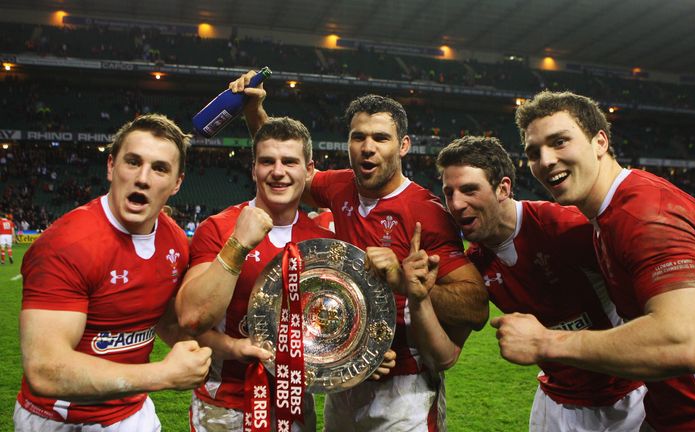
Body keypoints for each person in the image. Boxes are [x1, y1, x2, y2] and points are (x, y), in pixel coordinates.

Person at [497, 90, 695, 431]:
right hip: (676, 414)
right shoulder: (609, 216)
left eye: (560, 141)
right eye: (534, 152)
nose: (546, 160)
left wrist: (545, 342)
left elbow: (681, 342)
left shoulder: (644, 214)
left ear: (599, 141)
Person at [233, 76, 488, 430]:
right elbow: (284, 165)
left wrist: (408, 282)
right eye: (359, 137)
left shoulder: (426, 211)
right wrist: (253, 111)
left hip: (403, 390)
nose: (368, 147)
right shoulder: (339, 186)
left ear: (403, 146)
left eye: (381, 138)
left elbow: (476, 306)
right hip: (343, 380)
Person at [15, 114, 212, 431]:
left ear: (177, 183)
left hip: (131, 413)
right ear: (111, 167)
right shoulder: (65, 244)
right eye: (133, 162)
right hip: (58, 419)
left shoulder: (174, 240)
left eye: (159, 168)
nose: (143, 178)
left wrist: (229, 348)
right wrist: (163, 374)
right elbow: (45, 369)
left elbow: (167, 320)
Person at [436, 135, 646, 431]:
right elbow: (447, 354)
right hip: (555, 405)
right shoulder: (475, 264)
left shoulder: (566, 228)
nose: (457, 204)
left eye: (470, 190)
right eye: (449, 192)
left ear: (503, 188)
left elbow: (662, 288)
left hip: (627, 401)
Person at [175, 117, 345, 431]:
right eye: (267, 161)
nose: (278, 171)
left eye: (289, 162)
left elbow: (330, 324)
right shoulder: (219, 228)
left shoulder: (323, 244)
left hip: (294, 405)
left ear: (308, 170)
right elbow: (191, 318)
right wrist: (232, 348)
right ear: (254, 168)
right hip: (225, 405)